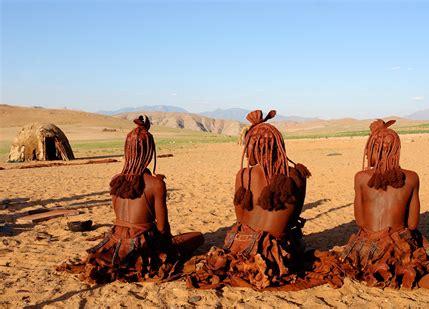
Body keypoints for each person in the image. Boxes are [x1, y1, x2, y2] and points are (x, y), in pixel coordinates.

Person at [307, 120, 429, 298]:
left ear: (371, 149)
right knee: (425, 247)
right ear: (396, 149)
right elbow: (413, 224)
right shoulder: (411, 178)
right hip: (399, 248)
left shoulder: (361, 177)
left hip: (365, 250)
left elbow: (361, 222)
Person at [58, 116, 203, 284]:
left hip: (115, 241)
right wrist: (167, 247)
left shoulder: (116, 180)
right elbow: (163, 228)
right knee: (198, 237)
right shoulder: (155, 184)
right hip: (141, 246)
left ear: (127, 151)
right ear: (149, 152)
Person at [185, 110, 312, 290]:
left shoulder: (244, 175)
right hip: (270, 256)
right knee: (299, 242)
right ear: (278, 145)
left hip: (239, 247)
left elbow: (240, 218)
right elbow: (293, 217)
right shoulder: (296, 175)